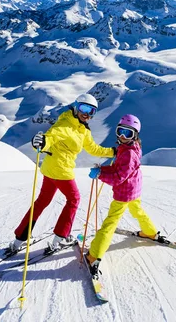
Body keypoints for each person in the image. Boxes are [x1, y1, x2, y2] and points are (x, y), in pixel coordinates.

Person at [9, 94, 115, 253]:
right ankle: (60, 238)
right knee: (74, 199)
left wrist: (112, 151)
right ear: (76, 107)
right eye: (83, 108)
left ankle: (19, 240)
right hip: (61, 170)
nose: (86, 114)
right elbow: (52, 136)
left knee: (42, 201)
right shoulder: (65, 124)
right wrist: (42, 143)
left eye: (91, 111)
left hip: (50, 169)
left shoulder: (82, 130)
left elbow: (93, 148)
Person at [84, 114, 158, 277]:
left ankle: (93, 256)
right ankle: (150, 232)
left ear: (135, 135)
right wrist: (102, 170)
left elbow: (118, 177)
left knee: (110, 224)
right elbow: (120, 169)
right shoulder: (131, 148)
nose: (123, 137)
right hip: (134, 189)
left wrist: (100, 175)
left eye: (128, 133)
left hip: (124, 193)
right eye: (120, 131)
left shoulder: (128, 153)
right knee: (137, 210)